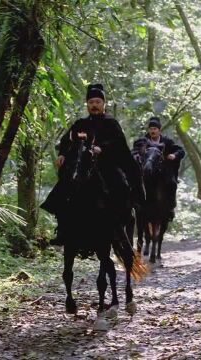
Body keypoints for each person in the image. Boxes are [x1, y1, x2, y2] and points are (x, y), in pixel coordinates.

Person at [41, 83, 145, 246]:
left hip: (107, 163)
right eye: (91, 102)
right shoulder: (80, 123)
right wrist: (62, 153)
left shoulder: (111, 123)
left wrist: (102, 148)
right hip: (83, 164)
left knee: (119, 183)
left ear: (104, 104)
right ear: (87, 105)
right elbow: (66, 140)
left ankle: (121, 217)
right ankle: (63, 228)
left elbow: (119, 144)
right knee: (66, 183)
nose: (94, 105)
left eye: (97, 102)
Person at [132, 116, 185, 217]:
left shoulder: (167, 141)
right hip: (146, 169)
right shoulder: (143, 141)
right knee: (134, 182)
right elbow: (133, 151)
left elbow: (180, 151)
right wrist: (136, 155)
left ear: (159, 130)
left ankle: (170, 207)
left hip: (163, 169)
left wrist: (174, 155)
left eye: (155, 129)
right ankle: (135, 204)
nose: (152, 131)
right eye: (151, 129)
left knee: (172, 183)